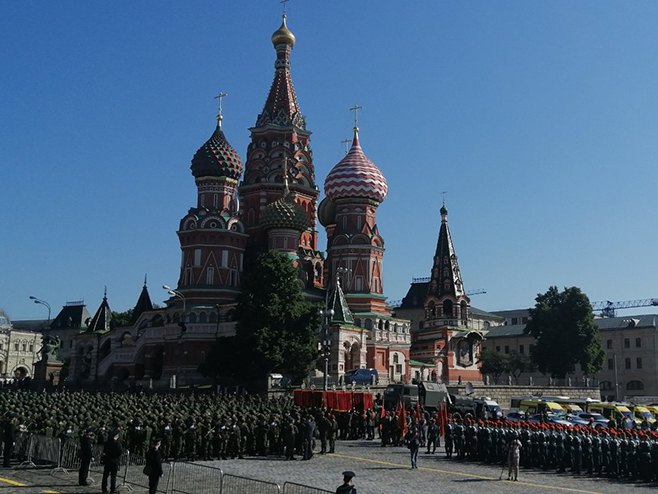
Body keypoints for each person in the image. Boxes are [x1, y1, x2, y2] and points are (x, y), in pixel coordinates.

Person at [101, 430, 123, 494]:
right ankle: (112, 489)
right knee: (113, 476)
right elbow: (120, 452)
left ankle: (104, 489)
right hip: (114, 461)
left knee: (105, 475)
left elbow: (105, 451)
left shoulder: (107, 442)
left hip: (107, 460)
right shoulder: (117, 443)